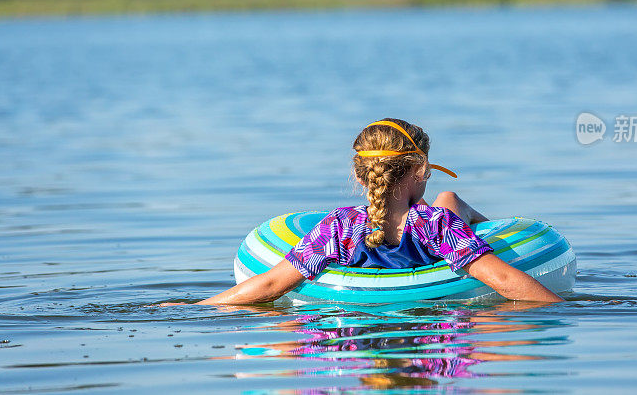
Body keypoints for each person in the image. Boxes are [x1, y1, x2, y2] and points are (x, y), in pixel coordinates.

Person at [194, 118, 562, 305]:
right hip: (438, 333)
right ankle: (468, 212)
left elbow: (271, 284)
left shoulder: (338, 226)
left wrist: (198, 307)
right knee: (448, 200)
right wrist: (567, 309)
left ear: (360, 175)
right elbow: (505, 281)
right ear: (421, 171)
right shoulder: (436, 224)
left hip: (351, 331)